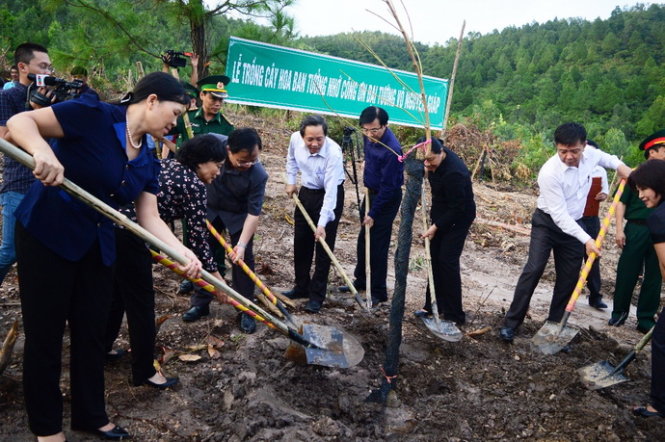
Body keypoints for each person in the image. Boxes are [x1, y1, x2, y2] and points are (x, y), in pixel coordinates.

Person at [6, 72, 201, 442]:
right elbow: (21, 122)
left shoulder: (147, 157)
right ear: (152, 100)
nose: (174, 125)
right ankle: (46, 427)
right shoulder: (93, 114)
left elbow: (149, 217)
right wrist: (43, 151)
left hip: (98, 244)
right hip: (48, 234)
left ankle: (90, 415)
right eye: (174, 114)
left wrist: (183, 252)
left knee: (92, 333)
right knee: (45, 334)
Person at [105, 134, 227, 388]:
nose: (219, 172)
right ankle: (145, 371)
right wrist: (217, 282)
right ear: (203, 161)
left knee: (116, 295)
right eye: (218, 164)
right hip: (132, 234)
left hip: (110, 227)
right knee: (141, 306)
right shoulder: (194, 184)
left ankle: (102, 348)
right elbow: (197, 239)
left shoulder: (168, 165)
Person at [499, 123, 631, 343]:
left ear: (584, 146)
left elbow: (610, 160)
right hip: (548, 223)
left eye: (574, 151)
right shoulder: (550, 172)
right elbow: (560, 216)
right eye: (563, 151)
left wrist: (623, 168)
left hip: (575, 225)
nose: (569, 156)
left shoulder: (591, 155)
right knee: (534, 268)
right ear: (556, 147)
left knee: (569, 277)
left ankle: (554, 327)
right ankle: (511, 323)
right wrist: (587, 240)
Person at [183, 128, 268, 335]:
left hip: (238, 215)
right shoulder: (212, 144)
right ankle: (201, 302)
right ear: (228, 150)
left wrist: (241, 245)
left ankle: (244, 308)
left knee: (242, 260)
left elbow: (253, 213)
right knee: (204, 254)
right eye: (242, 160)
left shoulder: (259, 175)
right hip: (209, 207)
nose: (247, 165)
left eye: (253, 160)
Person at [0, 43, 53, 287]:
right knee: (10, 251)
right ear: (23, 67)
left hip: (47, 182)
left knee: (44, 250)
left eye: (50, 67)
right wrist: (31, 113)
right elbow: (3, 141)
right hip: (18, 183)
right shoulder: (9, 96)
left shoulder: (52, 96)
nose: (49, 71)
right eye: (42, 66)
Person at [339, 106, 404, 305]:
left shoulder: (393, 150)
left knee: (377, 244)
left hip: (386, 198)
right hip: (370, 193)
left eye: (374, 130)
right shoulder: (370, 138)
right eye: (365, 130)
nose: (369, 134)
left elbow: (389, 187)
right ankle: (361, 280)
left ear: (385, 125)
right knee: (363, 238)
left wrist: (373, 212)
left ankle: (378, 291)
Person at [282, 115, 345, 313]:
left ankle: (317, 295)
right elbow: (291, 160)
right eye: (310, 139)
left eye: (319, 139)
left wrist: (322, 223)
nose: (315, 143)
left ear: (325, 136)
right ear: (302, 137)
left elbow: (331, 192)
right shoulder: (294, 139)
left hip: (330, 195)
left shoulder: (334, 153)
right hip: (306, 192)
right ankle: (301, 286)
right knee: (301, 241)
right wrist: (291, 181)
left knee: (323, 246)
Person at [416, 138, 476, 325]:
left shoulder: (455, 173)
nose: (428, 164)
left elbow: (457, 208)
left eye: (431, 160)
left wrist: (435, 227)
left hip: (459, 217)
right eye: (424, 160)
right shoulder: (431, 154)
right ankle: (432, 305)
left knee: (447, 261)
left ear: (441, 152)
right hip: (442, 213)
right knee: (434, 258)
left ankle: (454, 314)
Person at [610, 130, 665, 332]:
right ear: (652, 152)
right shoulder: (637, 175)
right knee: (627, 271)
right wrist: (619, 230)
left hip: (661, 232)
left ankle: (645, 318)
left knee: (655, 276)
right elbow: (620, 203)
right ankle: (619, 313)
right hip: (637, 229)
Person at [625, 159, 665, 419]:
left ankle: (658, 405)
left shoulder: (658, 218)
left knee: (661, 342)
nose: (640, 196)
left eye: (643, 189)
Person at [578, 140, 609, 309]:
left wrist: (603, 194)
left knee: (592, 257)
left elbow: (605, 191)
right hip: (575, 218)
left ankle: (595, 295)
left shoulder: (600, 171)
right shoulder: (574, 169)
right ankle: (568, 294)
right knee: (572, 255)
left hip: (591, 218)